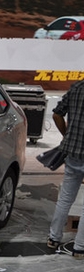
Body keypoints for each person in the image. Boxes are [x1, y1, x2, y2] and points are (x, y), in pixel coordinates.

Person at [48, 79, 84, 259]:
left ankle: (53, 238)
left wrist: (67, 137)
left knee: (65, 199)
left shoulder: (77, 87)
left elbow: (57, 115)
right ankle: (79, 248)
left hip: (72, 153)